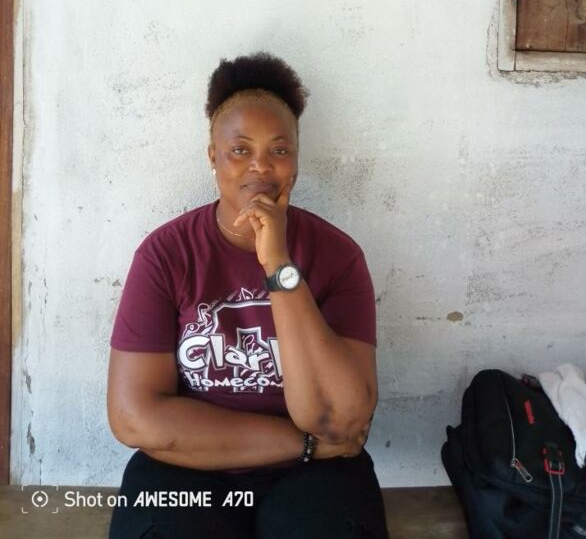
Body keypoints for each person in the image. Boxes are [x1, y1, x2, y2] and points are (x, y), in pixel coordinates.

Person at [107, 52, 389, 539]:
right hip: (190, 466)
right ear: (212, 156)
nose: (261, 166)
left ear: (295, 160)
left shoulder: (338, 256)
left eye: (279, 150)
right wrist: (304, 444)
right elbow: (135, 418)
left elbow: (340, 420)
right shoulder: (165, 254)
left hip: (315, 477)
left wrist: (278, 264)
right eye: (240, 149)